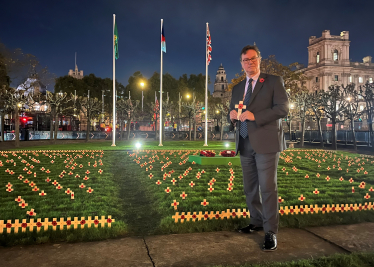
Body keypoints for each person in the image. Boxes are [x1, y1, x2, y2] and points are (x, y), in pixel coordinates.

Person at [228, 45, 289, 251]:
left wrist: (256, 116)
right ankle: (255, 221)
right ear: (241, 63)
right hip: (244, 142)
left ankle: (270, 231)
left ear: (259, 60)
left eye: (253, 59)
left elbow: (283, 108)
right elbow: (233, 111)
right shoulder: (237, 88)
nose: (249, 63)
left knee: (268, 188)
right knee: (250, 188)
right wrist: (232, 117)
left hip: (267, 143)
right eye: (245, 60)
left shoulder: (273, 81)